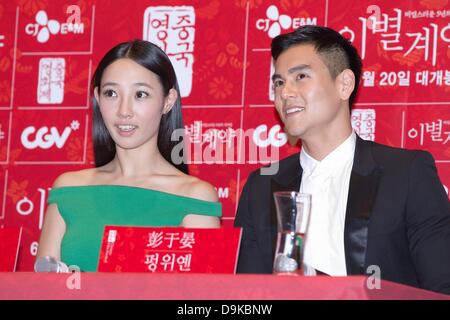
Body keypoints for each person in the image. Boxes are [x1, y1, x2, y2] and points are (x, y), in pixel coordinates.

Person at [234, 25, 450, 294]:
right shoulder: (261, 186)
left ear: (344, 84)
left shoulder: (405, 174)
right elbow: (247, 293)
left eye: (300, 76)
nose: (284, 93)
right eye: (278, 82)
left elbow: (442, 286)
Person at [37, 40, 221, 272]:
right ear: (97, 97)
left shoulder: (195, 197)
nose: (124, 111)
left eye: (141, 94)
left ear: (168, 101)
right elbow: (42, 288)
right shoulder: (69, 189)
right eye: (111, 93)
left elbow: (200, 299)